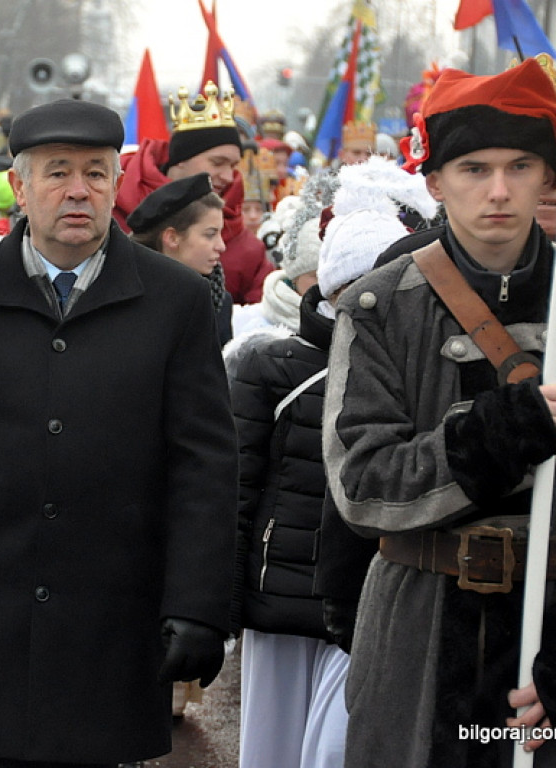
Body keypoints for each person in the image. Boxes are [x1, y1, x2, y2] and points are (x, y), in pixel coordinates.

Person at [0, 98, 238, 767]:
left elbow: (205, 465)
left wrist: (200, 604)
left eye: (97, 174)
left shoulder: (176, 301)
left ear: (117, 185)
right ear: (19, 184)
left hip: (112, 624)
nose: (78, 190)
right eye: (57, 172)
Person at [322, 58, 556, 767]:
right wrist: (501, 432)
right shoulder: (380, 304)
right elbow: (362, 485)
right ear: (433, 182)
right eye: (474, 169)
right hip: (418, 628)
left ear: (547, 177)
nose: (499, 191)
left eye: (521, 167)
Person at [230, 156, 437, 768]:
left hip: (360, 602)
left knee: (337, 750)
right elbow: (237, 485)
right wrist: (222, 598)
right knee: (269, 750)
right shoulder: (270, 364)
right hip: (278, 597)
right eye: (351, 287)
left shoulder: (407, 368)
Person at [115, 81, 272, 305]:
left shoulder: (250, 250)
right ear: (181, 160)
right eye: (218, 162)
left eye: (233, 165)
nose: (228, 176)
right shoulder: (112, 215)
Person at [127, 172, 232, 349]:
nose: (221, 246)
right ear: (172, 238)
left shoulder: (218, 299)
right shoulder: (124, 295)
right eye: (210, 234)